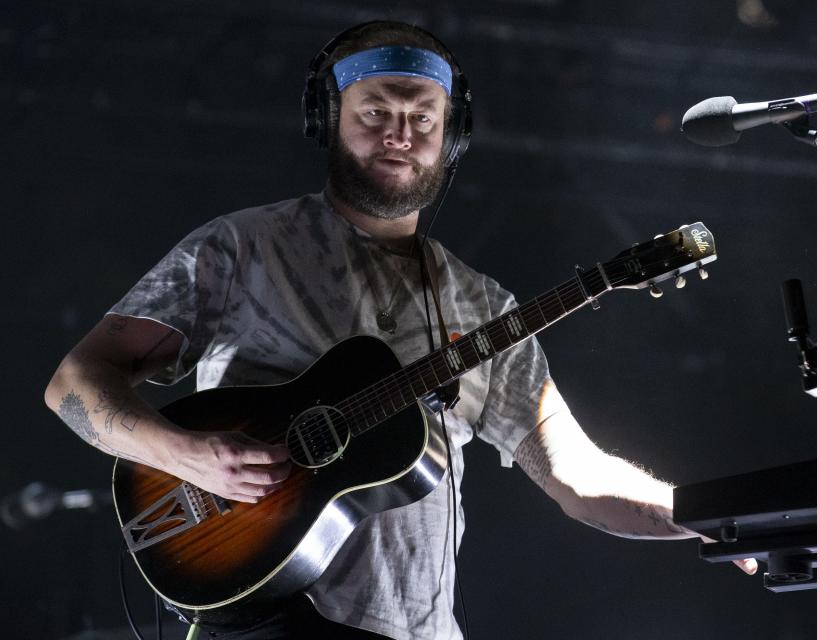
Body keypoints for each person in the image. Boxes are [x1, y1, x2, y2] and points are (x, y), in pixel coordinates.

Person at [44, 20, 755, 640]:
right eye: (374, 110)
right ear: (327, 118)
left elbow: (580, 478)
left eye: (423, 117)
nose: (400, 134)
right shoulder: (240, 250)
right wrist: (183, 454)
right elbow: (76, 381)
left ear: (453, 136)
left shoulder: (482, 307)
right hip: (267, 621)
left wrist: (711, 517)